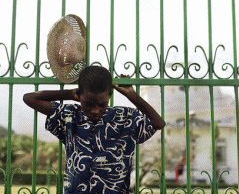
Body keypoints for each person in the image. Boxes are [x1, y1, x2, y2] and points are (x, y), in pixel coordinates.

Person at [23, 66, 165, 194]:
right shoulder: (69, 116)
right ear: (79, 96)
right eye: (88, 104)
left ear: (109, 97)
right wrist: (69, 94)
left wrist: (130, 94)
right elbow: (29, 98)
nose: (95, 110)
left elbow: (158, 123)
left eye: (102, 105)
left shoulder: (127, 118)